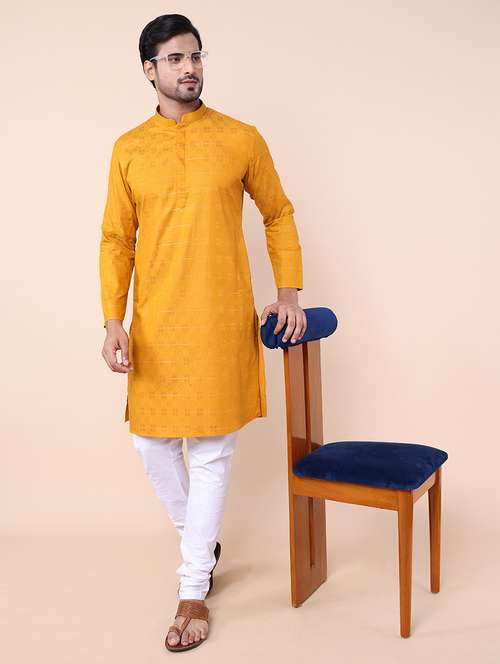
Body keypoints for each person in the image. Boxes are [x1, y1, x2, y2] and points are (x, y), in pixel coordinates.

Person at [99, 13, 306, 652]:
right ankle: (202, 541)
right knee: (151, 443)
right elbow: (116, 239)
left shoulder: (240, 138)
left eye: (195, 56)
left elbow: (278, 213)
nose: (190, 68)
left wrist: (289, 293)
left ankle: (193, 590)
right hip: (157, 322)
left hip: (220, 318)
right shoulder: (130, 148)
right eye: (175, 58)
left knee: (212, 451)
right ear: (150, 70)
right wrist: (113, 319)